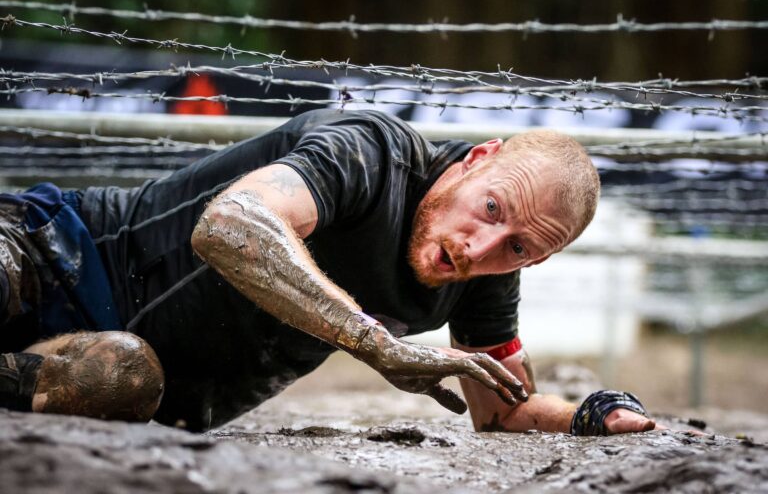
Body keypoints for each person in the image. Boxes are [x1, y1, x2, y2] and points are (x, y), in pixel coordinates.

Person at [0, 109, 657, 434]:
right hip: (56, 252)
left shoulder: (485, 277)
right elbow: (230, 226)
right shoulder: (373, 151)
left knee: (122, 373)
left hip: (118, 375)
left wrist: (591, 416)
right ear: (476, 160)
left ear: (534, 261)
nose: (481, 247)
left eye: (517, 249)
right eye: (491, 207)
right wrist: (374, 341)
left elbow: (498, 411)